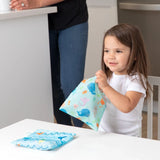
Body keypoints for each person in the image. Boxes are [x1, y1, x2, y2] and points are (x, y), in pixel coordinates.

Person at [10, 0, 88, 127]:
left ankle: (82, 130)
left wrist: (37, 3)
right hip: (39, 19)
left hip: (72, 17)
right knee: (52, 86)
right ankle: (65, 129)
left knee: (72, 85)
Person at [95, 24, 150, 136]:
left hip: (128, 140)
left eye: (118, 51)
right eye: (107, 51)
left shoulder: (136, 79)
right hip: (104, 134)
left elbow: (127, 106)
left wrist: (105, 87)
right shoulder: (108, 76)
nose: (111, 56)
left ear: (135, 55)